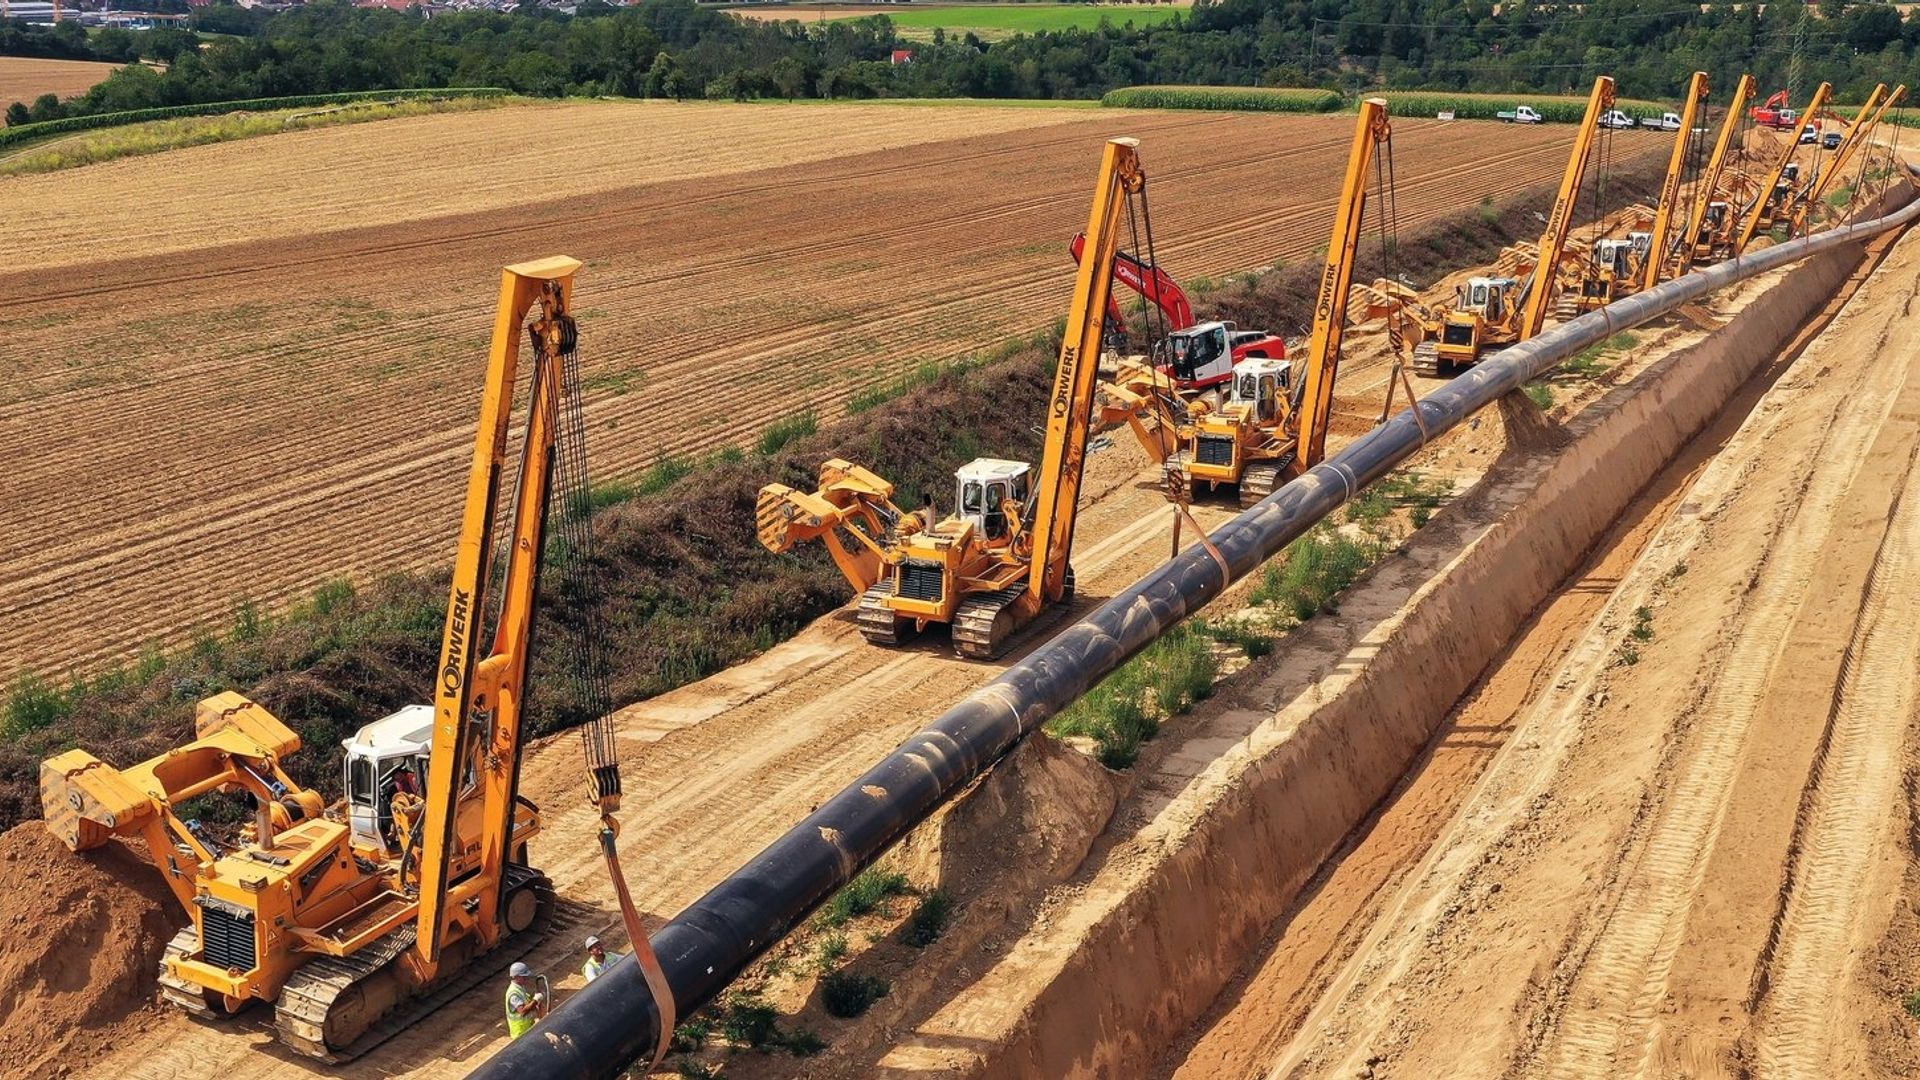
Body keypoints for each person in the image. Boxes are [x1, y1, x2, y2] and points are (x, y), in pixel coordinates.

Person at [504, 961, 544, 1039]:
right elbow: (522, 1011)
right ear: (516, 977)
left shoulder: (520, 988)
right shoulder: (513, 993)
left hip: (527, 1029)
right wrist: (536, 1000)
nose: (526, 978)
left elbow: (526, 1003)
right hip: (520, 1033)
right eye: (523, 977)